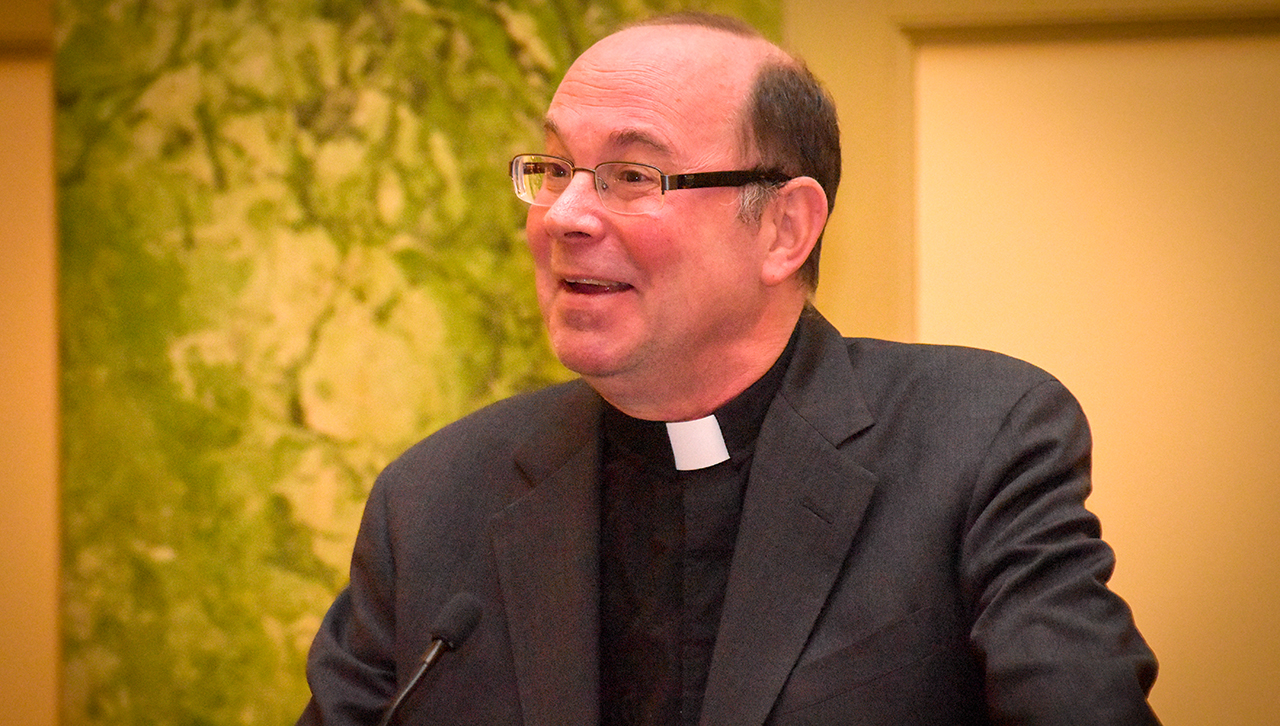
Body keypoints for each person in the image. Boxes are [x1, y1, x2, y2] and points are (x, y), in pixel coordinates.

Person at [298, 12, 1159, 725]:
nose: (564, 214)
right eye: (555, 168)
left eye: (632, 174)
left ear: (786, 228)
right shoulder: (435, 498)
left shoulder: (976, 442)